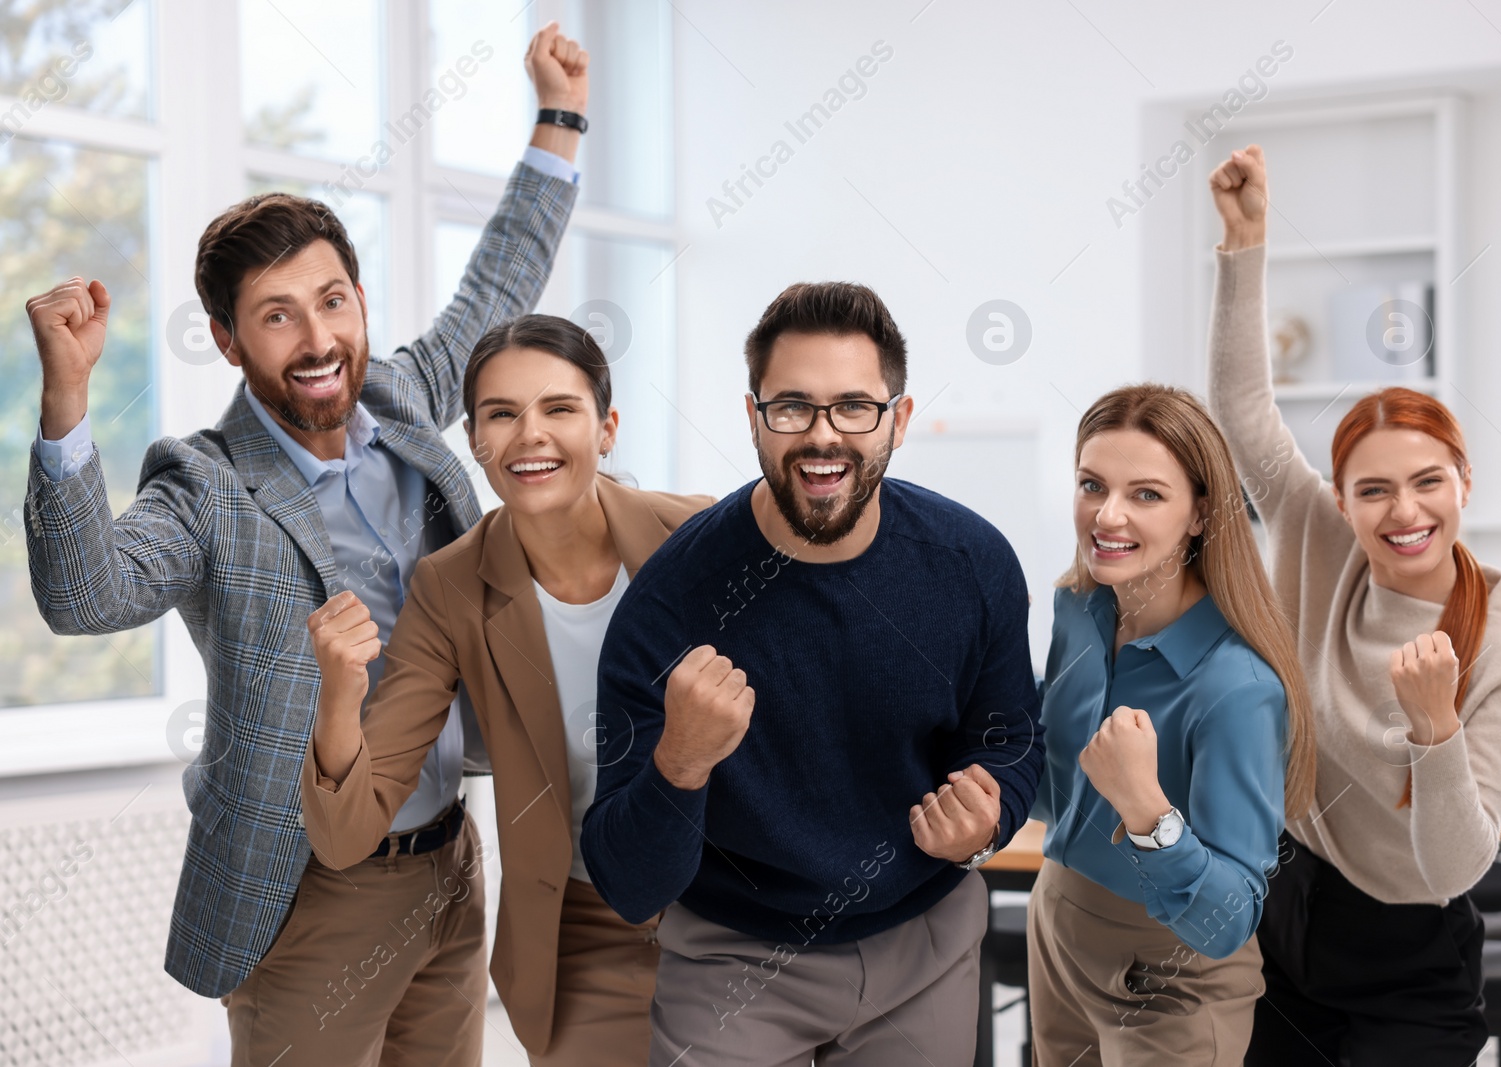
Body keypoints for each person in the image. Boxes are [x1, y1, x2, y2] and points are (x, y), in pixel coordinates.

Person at [23, 24, 591, 1065]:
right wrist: (66, 401)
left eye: (332, 300)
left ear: (360, 301)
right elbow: (85, 597)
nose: (319, 337)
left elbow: (499, 282)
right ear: (232, 344)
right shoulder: (204, 480)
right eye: (278, 317)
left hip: (450, 865)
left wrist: (557, 116)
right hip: (306, 891)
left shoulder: (407, 396)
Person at [579, 281, 1043, 1066]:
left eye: (854, 406)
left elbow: (1010, 742)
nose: (823, 436)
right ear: (753, 415)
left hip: (921, 944)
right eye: (792, 406)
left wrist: (990, 814)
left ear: (898, 417)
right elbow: (627, 882)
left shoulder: (973, 564)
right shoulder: (670, 600)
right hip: (731, 961)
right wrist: (681, 761)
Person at [1207, 145, 1501, 1065]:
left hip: (1409, 956)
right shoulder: (1322, 544)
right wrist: (1244, 247)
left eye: (1428, 481)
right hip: (1285, 917)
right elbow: (1243, 414)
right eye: (1374, 491)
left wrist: (1433, 729)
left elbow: (1454, 868)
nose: (1405, 512)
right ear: (1342, 498)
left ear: (1463, 483)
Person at [300, 314, 714, 1063]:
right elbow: (345, 830)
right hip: (585, 927)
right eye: (501, 414)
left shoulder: (700, 537)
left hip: (733, 905)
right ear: (475, 439)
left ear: (607, 427)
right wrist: (337, 691)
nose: (531, 436)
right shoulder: (451, 586)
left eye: (560, 408)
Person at [1026, 383, 1316, 1066]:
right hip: (1059, 934)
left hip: (1170, 977)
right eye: (1091, 484)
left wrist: (1145, 808)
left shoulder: (1235, 688)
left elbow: (1226, 919)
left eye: (1147, 494)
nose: (1108, 515)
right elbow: (1063, 792)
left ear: (1200, 514)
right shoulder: (1080, 610)